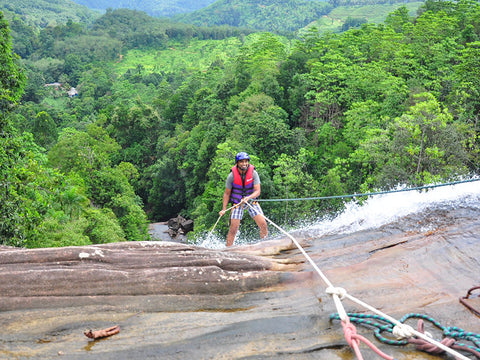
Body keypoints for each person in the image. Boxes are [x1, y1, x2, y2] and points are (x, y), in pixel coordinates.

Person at [219, 152, 268, 247]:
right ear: (237, 163)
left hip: (251, 201)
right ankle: (228, 249)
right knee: (234, 228)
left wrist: (248, 198)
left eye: (246, 161)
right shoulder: (231, 176)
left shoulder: (253, 173)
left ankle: (265, 244)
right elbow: (227, 193)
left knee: (263, 224)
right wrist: (224, 209)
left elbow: (258, 191)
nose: (244, 163)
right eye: (242, 162)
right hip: (237, 202)